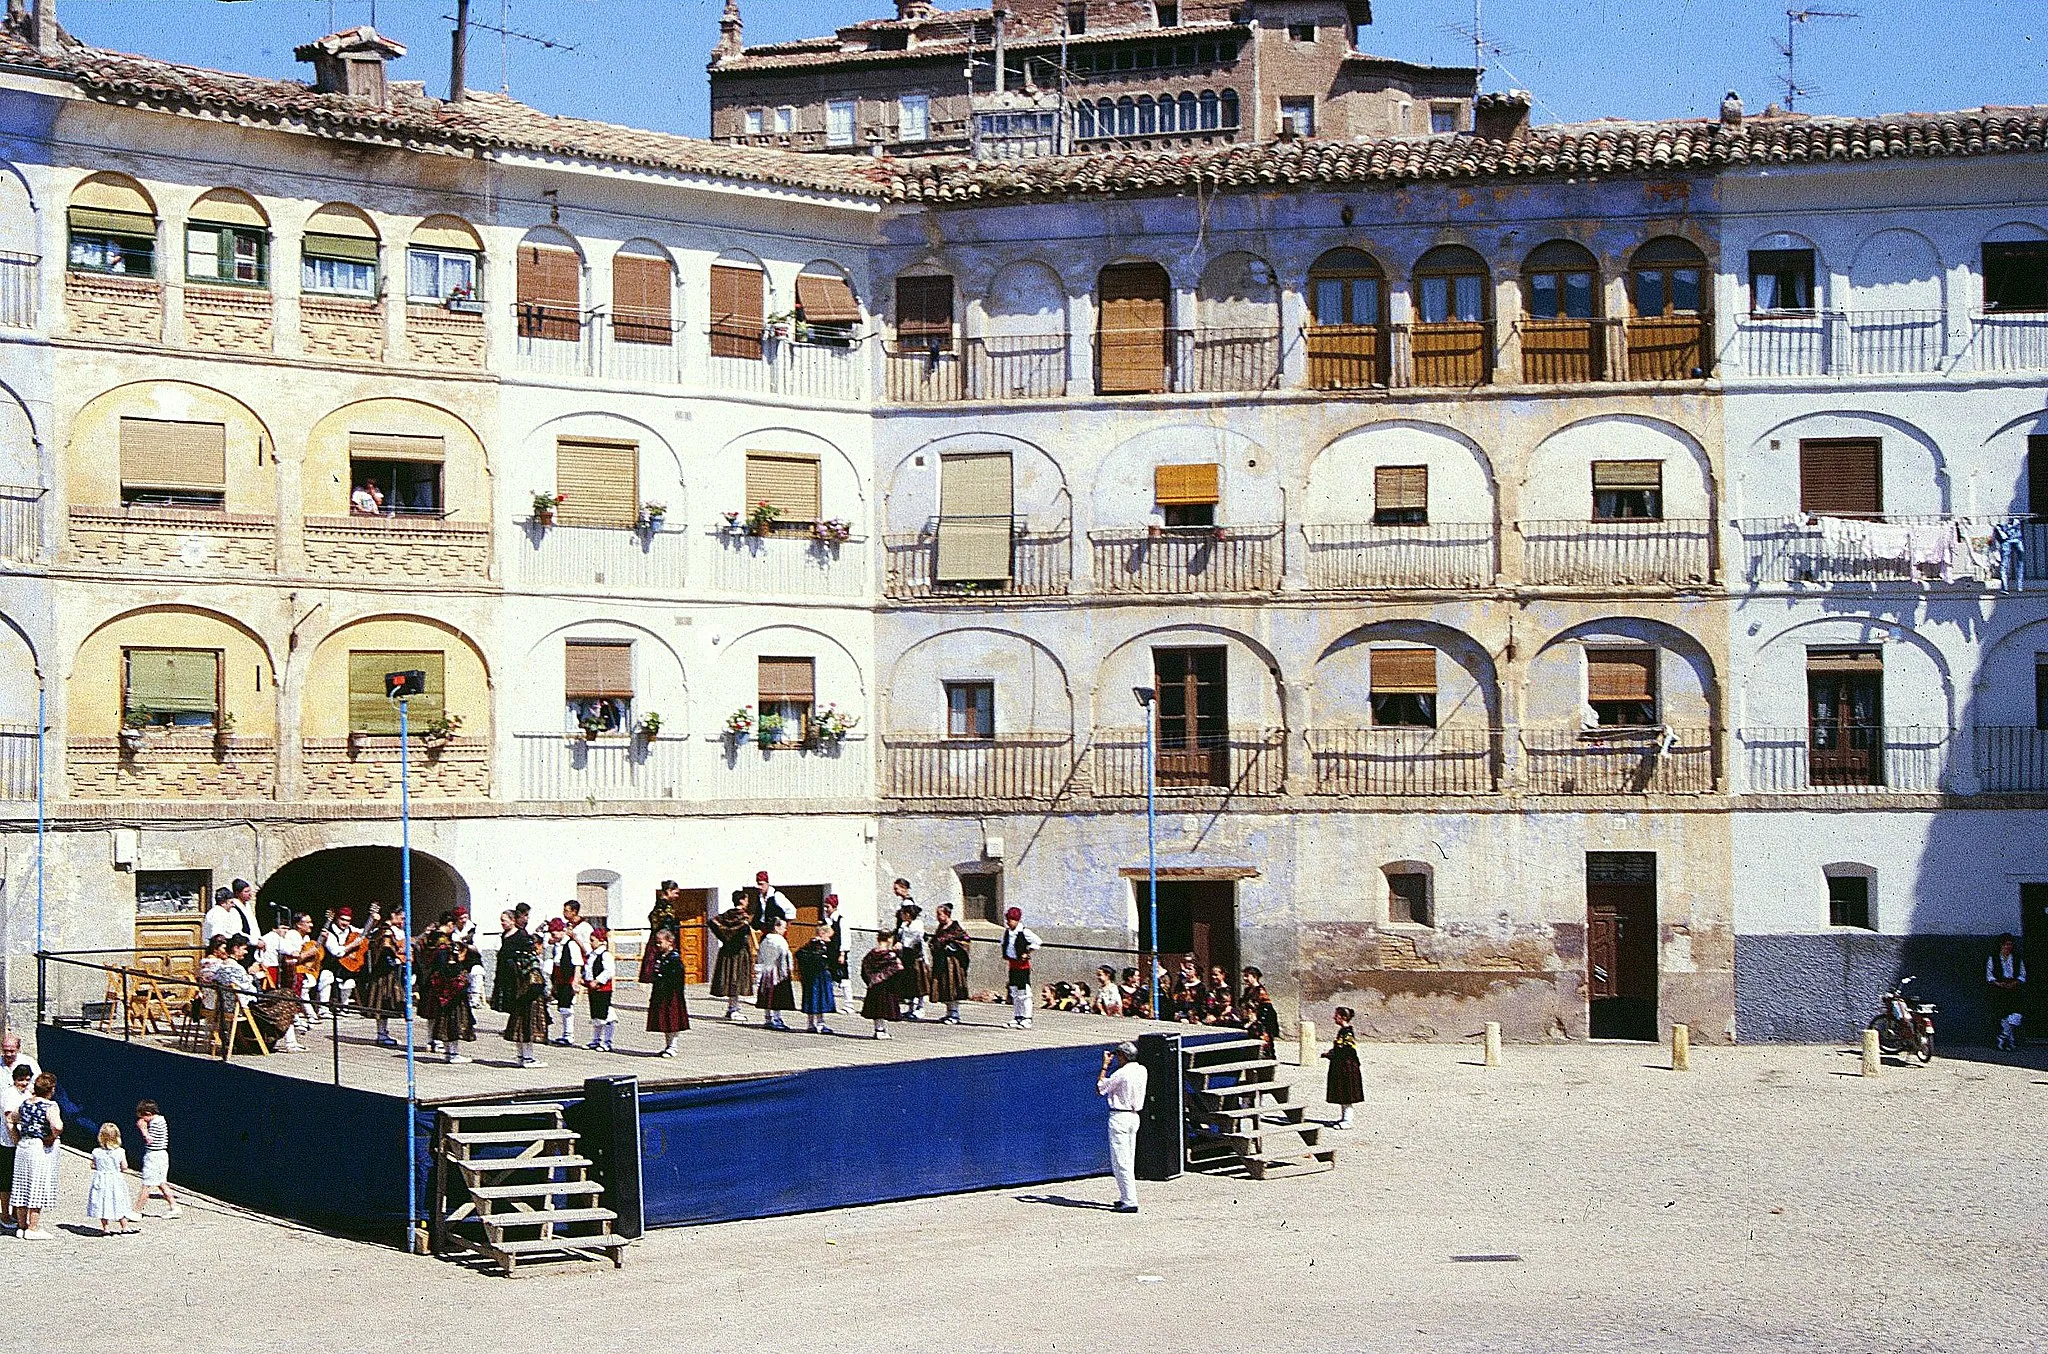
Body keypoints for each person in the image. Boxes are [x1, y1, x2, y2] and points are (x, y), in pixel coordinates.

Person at [8, 1070, 62, 1239]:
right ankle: (33, 1227)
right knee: (37, 1185)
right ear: (51, 1089)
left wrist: (17, 1139)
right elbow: (58, 1126)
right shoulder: (50, 1105)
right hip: (38, 1147)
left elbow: (11, 1119)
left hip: (23, 1145)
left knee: (21, 1185)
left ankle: (21, 1226)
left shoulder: (25, 1104)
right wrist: (51, 1137)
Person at [495, 906, 551, 1069]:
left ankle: (525, 1055)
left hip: (522, 985)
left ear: (512, 921)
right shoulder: (510, 938)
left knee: (524, 1019)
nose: (502, 923)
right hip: (519, 987)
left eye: (504, 920)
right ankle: (525, 1057)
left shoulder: (520, 937)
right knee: (524, 1020)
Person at [1096, 1042, 1149, 1215]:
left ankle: (1130, 1200)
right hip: (1134, 1116)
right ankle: (1126, 1196)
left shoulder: (1121, 1073)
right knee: (1128, 1159)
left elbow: (1100, 1088)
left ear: (1122, 1056)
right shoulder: (1142, 1070)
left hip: (1120, 1116)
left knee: (1121, 1161)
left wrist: (1105, 1067)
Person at [428, 927, 478, 1064]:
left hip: (442, 993)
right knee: (453, 1022)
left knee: (445, 1022)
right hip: (453, 993)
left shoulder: (436, 953)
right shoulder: (448, 951)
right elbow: (453, 970)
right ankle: (453, 1053)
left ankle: (449, 1052)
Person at [359, 908, 408, 1048]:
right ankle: (381, 1034)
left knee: (385, 1003)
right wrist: (395, 962)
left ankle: (383, 1032)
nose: (403, 921)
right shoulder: (386, 931)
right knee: (383, 1002)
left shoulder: (384, 930)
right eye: (402, 917)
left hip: (385, 972)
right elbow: (385, 950)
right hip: (384, 974)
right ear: (393, 914)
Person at [708, 890, 755, 1022]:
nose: (748, 902)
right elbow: (739, 930)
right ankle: (734, 1009)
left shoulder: (727, 915)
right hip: (738, 952)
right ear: (741, 900)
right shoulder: (743, 918)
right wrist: (732, 938)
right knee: (736, 979)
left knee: (731, 979)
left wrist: (724, 937)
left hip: (727, 951)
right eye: (746, 899)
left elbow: (712, 921)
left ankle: (731, 1007)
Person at [86, 1121, 138, 1236]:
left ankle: (106, 1229)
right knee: (118, 1201)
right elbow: (124, 1167)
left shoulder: (96, 1152)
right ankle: (124, 1227)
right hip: (115, 1180)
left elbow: (93, 1165)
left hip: (101, 1180)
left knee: (103, 1202)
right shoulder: (120, 1152)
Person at [645, 927, 690, 1057]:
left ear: (670, 942)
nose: (658, 945)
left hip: (671, 994)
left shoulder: (674, 958)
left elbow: (677, 977)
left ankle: (673, 1046)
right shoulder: (660, 956)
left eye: (660, 942)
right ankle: (668, 1045)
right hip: (661, 992)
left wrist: (671, 988)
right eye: (657, 943)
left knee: (672, 1020)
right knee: (664, 1021)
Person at [928, 902, 972, 1024]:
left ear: (947, 914)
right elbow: (935, 941)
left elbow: (965, 941)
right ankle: (948, 1012)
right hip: (941, 962)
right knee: (944, 986)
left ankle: (955, 1014)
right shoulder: (940, 927)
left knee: (953, 986)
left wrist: (953, 946)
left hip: (952, 963)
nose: (937, 917)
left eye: (939, 914)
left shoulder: (955, 928)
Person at [317, 906, 365, 1018]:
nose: (345, 923)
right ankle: (323, 1008)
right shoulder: (329, 932)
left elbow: (365, 933)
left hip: (344, 967)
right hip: (330, 965)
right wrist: (352, 945)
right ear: (336, 918)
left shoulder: (351, 929)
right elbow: (336, 952)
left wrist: (373, 920)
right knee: (326, 977)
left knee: (349, 982)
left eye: (347, 920)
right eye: (342, 919)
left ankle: (343, 1007)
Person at [134, 1100, 179, 1218]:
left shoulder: (154, 1123)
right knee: (161, 1183)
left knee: (146, 1184)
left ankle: (136, 1211)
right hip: (162, 1155)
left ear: (148, 1113)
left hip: (154, 1156)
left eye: (143, 1117)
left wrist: (143, 1129)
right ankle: (174, 1206)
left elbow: (149, 1140)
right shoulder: (162, 1120)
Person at [548, 918, 587, 1047]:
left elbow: (577, 964)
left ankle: (569, 1035)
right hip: (559, 977)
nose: (553, 936)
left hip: (568, 977)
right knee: (563, 1006)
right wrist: (554, 983)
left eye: (554, 933)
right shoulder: (557, 945)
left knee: (568, 1006)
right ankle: (565, 1033)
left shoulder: (571, 944)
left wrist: (575, 982)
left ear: (562, 931)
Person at [1323, 1006, 1363, 1129]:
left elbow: (1347, 1050)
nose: (1334, 1017)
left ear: (1343, 1017)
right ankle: (1343, 1118)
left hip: (1347, 1067)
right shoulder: (1343, 1031)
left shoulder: (1347, 1032)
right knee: (1342, 1092)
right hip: (1342, 1066)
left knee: (1347, 1093)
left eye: (1337, 1015)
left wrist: (1331, 1054)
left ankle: (1348, 1120)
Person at [1000, 907, 1041, 1030]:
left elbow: (1038, 941)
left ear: (1017, 920)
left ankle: (1027, 1018)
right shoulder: (1007, 932)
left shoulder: (1024, 932)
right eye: (1008, 919)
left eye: (1011, 919)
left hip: (1022, 967)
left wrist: (1027, 951)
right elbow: (1003, 943)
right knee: (1014, 992)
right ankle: (1018, 1016)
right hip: (1013, 965)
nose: (1009, 922)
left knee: (1025, 992)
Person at [860, 932, 905, 1040]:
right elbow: (898, 968)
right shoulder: (890, 955)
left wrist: (870, 980)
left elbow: (864, 968)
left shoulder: (871, 954)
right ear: (890, 939)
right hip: (886, 986)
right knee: (883, 1007)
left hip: (873, 985)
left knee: (876, 1008)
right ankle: (880, 1031)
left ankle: (879, 1029)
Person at [754, 915, 796, 1031]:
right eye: (783, 927)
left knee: (767, 995)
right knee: (777, 996)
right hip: (777, 972)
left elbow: (760, 957)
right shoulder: (780, 940)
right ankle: (777, 1019)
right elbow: (785, 956)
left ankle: (768, 1018)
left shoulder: (765, 940)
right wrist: (787, 971)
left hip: (766, 972)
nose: (785, 929)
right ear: (776, 928)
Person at [1988, 933, 2028, 1051]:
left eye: (2010, 945)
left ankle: (2002, 1037)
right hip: (2000, 988)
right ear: (2001, 945)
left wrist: (2014, 983)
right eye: (2006, 945)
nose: (2008, 947)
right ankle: (2009, 1042)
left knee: (2016, 1015)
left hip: (2014, 988)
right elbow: (1989, 975)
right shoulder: (1994, 958)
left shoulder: (2016, 959)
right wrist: (1999, 984)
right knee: (2003, 1015)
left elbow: (2022, 975)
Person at [796, 923, 837, 1035]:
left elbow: (799, 954)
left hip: (810, 977)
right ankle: (820, 1023)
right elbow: (819, 959)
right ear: (822, 934)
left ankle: (810, 1023)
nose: (829, 940)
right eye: (829, 936)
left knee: (811, 998)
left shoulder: (809, 944)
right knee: (820, 999)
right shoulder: (819, 945)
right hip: (820, 975)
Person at [0, 1062, 27, 1230]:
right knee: (5, 1181)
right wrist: (17, 1143)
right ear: (14, 1079)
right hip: (8, 1142)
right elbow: (10, 1121)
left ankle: (17, 1212)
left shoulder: (24, 1094)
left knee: (17, 1180)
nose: (23, 1082)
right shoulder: (10, 1094)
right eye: (20, 1079)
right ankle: (5, 1214)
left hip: (20, 1142)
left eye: (26, 1079)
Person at [894, 900, 929, 1020]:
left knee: (918, 983)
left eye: (903, 913)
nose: (901, 915)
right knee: (909, 984)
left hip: (916, 958)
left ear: (908, 914)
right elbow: (901, 938)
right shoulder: (904, 926)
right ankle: (911, 1008)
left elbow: (916, 942)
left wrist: (902, 945)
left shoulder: (917, 926)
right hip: (907, 957)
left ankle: (920, 1007)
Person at [583, 928, 617, 1052]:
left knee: (605, 1014)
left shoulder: (605, 955)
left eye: (593, 940)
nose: (591, 943)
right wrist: (586, 980)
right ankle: (596, 1039)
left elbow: (609, 971)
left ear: (601, 941)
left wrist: (597, 981)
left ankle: (607, 1041)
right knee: (596, 1015)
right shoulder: (592, 955)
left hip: (603, 989)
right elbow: (588, 969)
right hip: (593, 989)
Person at [1239, 967, 1279, 1063]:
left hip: (1260, 1023)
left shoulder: (1260, 991)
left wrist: (1259, 1020)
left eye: (1246, 976)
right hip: (1249, 1021)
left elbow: (1266, 1007)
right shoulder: (1248, 990)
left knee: (1264, 1046)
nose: (1244, 978)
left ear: (1254, 976)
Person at [201, 883, 258, 948]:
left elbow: (236, 931)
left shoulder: (225, 912)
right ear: (222, 903)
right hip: (218, 949)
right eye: (231, 902)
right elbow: (218, 936)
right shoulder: (217, 913)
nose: (233, 905)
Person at [820, 893, 850, 1008]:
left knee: (843, 977)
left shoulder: (841, 921)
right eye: (825, 906)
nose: (826, 909)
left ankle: (848, 1004)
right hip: (829, 952)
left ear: (834, 906)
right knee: (830, 977)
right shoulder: (827, 921)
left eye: (828, 906)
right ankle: (830, 1003)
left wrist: (842, 953)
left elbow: (845, 938)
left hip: (838, 952)